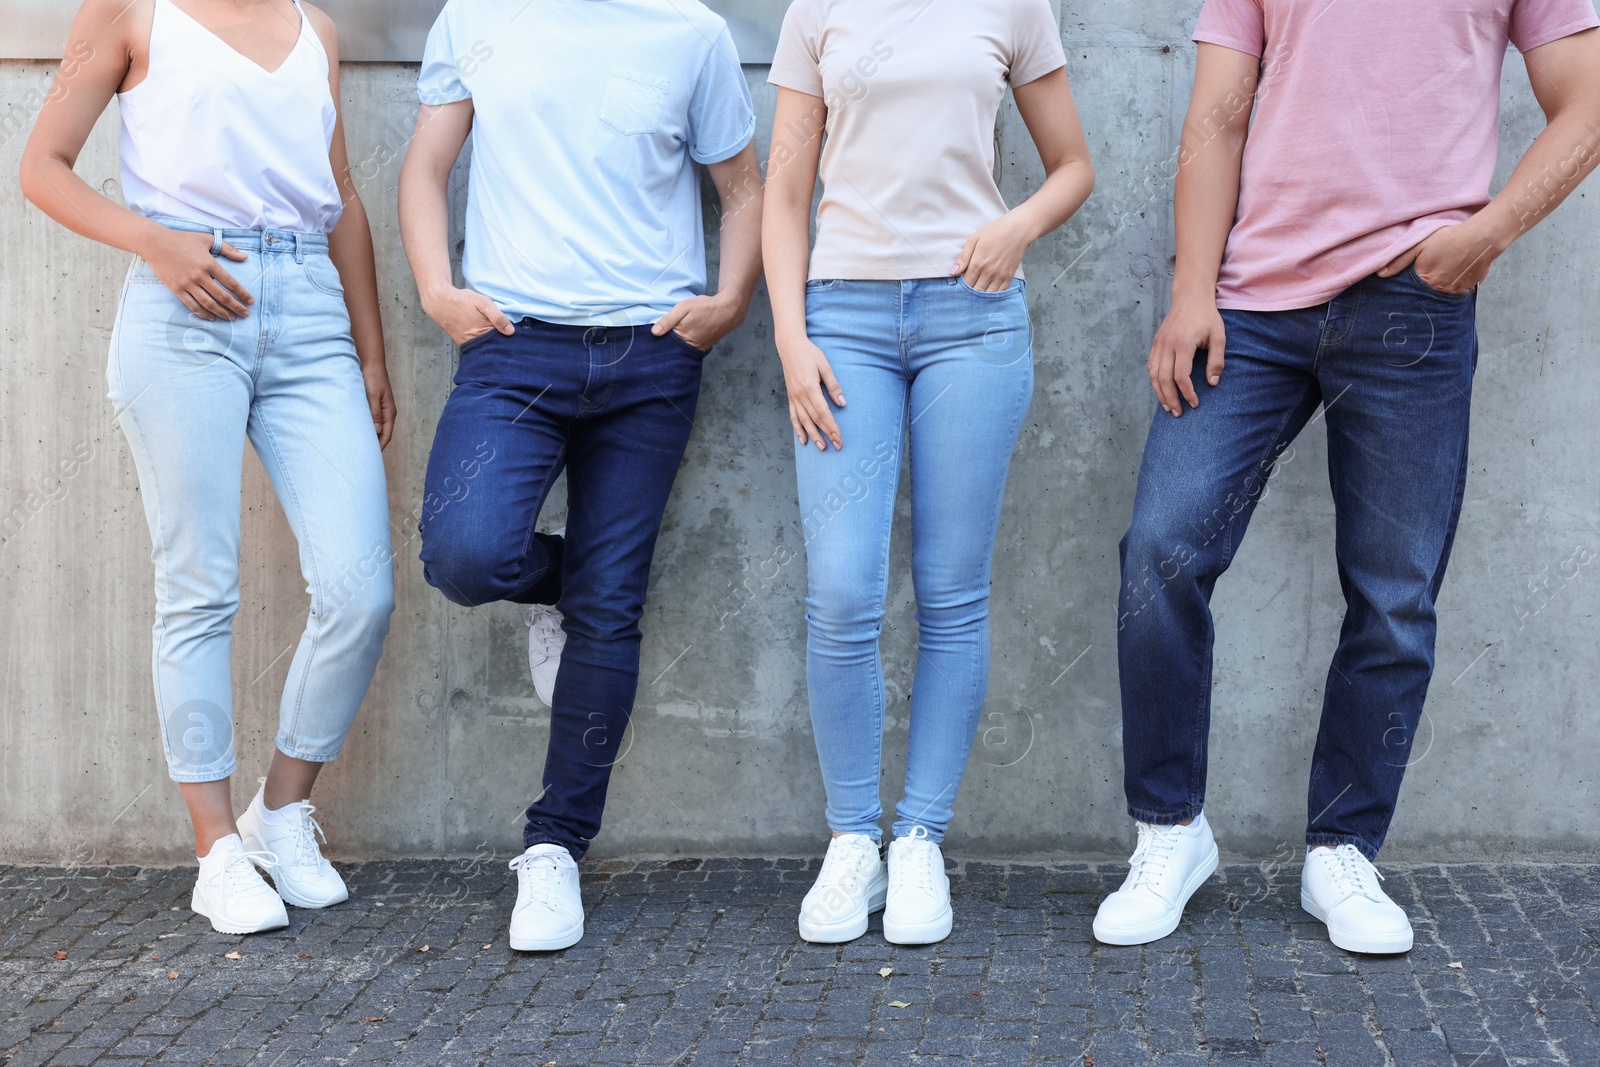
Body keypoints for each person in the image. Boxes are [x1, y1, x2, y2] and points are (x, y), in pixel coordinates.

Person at [1097, 0, 1600, 953]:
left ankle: (1343, 847)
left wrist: (1487, 233)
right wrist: (1192, 289)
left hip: (1416, 296)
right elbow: (1219, 114)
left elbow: (1589, 101)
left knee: (1394, 592)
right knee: (1162, 550)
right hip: (1251, 308)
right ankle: (1170, 830)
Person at [21, 0, 397, 934]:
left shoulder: (317, 27)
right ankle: (216, 849)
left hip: (310, 313)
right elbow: (40, 168)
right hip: (184, 306)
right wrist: (153, 239)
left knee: (361, 590)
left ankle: (281, 810)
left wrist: (372, 350)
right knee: (200, 588)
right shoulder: (128, 11)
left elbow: (341, 190)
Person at [399, 0, 763, 952]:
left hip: (651, 353)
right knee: (463, 553)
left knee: (612, 609)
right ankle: (562, 582)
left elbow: (745, 186)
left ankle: (555, 846)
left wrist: (730, 300)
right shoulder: (476, 15)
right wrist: (440, 289)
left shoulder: (695, 33)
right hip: (513, 345)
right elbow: (427, 166)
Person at [766, 0, 1095, 946]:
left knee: (951, 592)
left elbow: (1074, 165)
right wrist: (790, 337)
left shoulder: (1015, 6)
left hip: (974, 318)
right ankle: (851, 840)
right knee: (840, 593)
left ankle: (918, 839)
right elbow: (785, 192)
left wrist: (1017, 225)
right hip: (842, 323)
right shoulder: (815, 11)